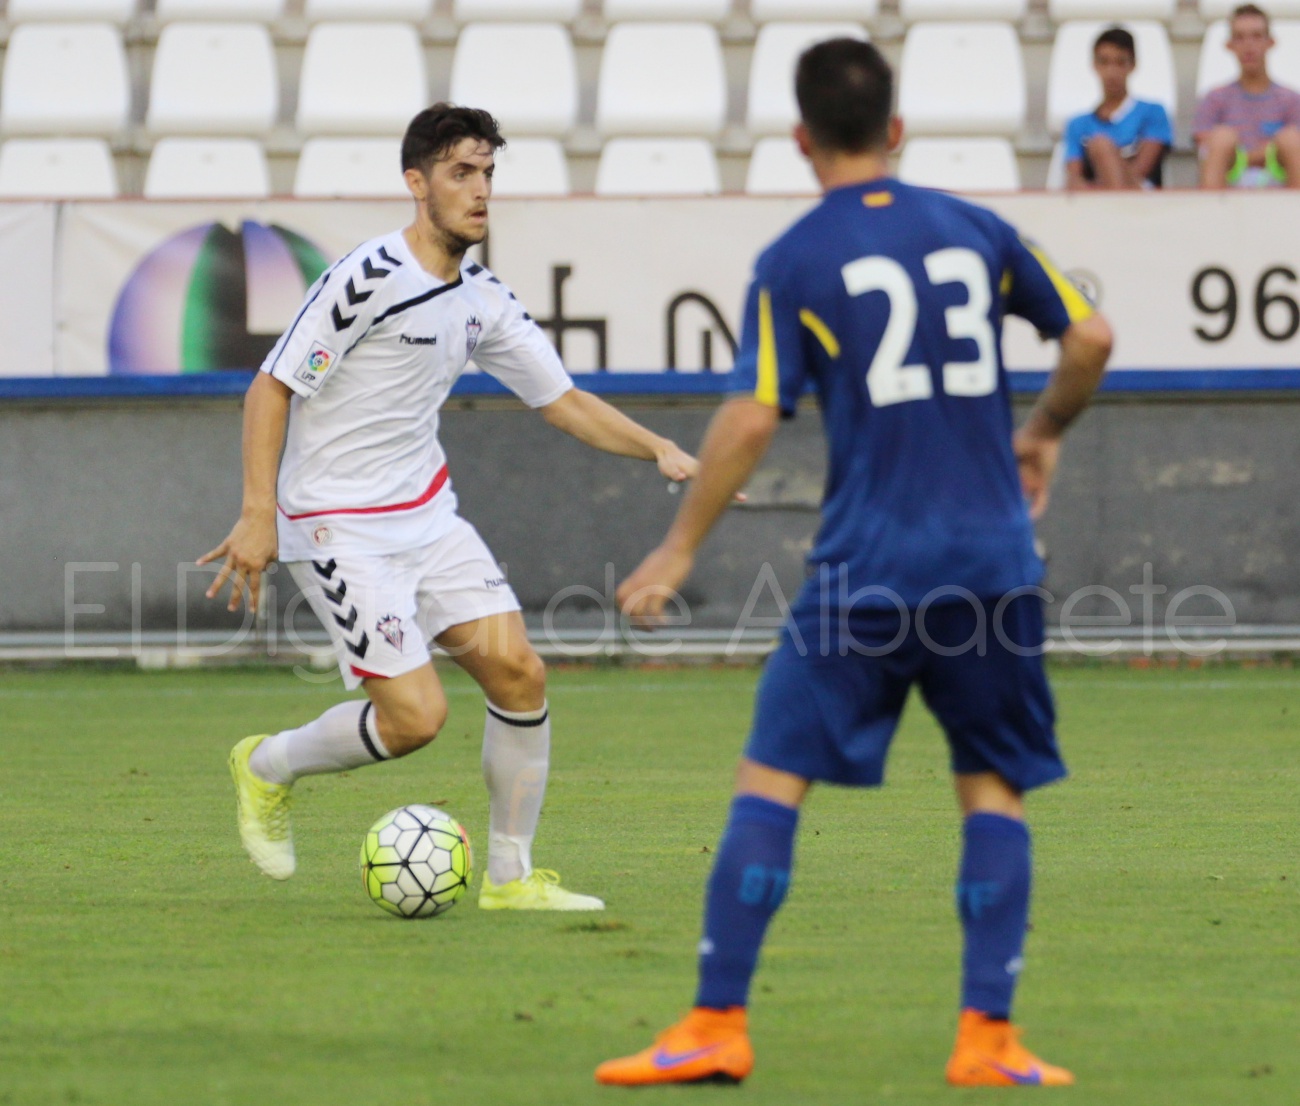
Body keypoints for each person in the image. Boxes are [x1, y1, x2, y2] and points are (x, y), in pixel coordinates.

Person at [595, 39, 1112, 1088]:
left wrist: (678, 547)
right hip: (989, 562)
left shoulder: (795, 260)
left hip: (867, 567)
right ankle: (988, 1035)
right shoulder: (978, 229)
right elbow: (1090, 337)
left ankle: (716, 1022)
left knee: (771, 782)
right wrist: (1044, 432)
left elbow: (752, 415)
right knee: (991, 789)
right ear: (896, 129)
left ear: (800, 138)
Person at [200, 103, 703, 911]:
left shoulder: (482, 298)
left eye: (488, 174)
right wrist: (258, 512)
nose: (480, 191)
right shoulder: (367, 278)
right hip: (338, 527)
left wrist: (660, 449)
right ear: (417, 182)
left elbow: (563, 400)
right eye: (461, 173)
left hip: (430, 518)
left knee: (520, 673)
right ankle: (266, 765)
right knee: (414, 721)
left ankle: (510, 879)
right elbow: (273, 385)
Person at [1194, 3, 1300, 188]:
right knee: (1221, 138)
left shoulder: (1291, 99)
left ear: (1270, 42)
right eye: (1240, 37)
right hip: (1230, 178)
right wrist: (1260, 153)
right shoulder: (1215, 98)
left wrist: (1250, 155)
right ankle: (1211, 206)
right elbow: (1205, 146)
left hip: (1279, 178)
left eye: (1256, 36)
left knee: (1290, 139)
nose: (1248, 45)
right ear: (1229, 45)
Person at [1064, 26, 1173, 190]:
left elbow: (1140, 173)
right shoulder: (1077, 124)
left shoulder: (1153, 113)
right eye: (1104, 62)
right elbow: (1074, 178)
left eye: (1120, 62)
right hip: (1095, 201)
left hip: (1142, 199)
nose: (1112, 72)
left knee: (1101, 145)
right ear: (1094, 65)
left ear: (1133, 65)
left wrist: (1105, 156)